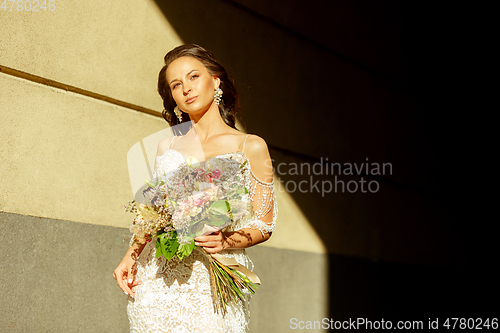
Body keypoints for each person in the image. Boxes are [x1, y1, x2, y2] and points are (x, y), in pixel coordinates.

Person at [113, 44, 278, 333]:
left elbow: (264, 224)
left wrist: (228, 241)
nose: (186, 88)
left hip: (210, 283)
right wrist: (131, 255)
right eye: (176, 85)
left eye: (193, 77)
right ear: (173, 98)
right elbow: (154, 212)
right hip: (158, 280)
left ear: (216, 80)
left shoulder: (249, 145)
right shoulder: (168, 146)